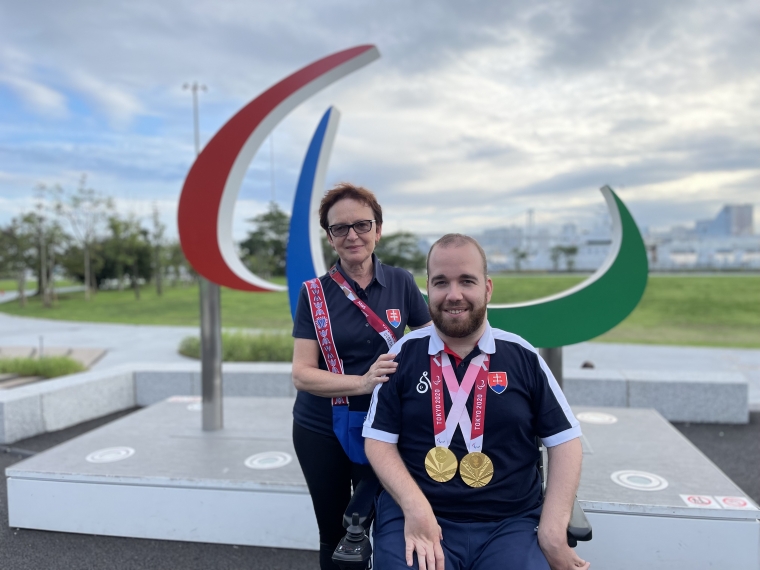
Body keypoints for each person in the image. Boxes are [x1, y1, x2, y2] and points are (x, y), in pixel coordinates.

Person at [363, 234, 589, 570]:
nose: (454, 295)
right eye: (441, 283)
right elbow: (378, 442)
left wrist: (554, 531)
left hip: (509, 524)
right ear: (428, 289)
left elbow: (565, 442)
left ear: (487, 288)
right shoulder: (401, 355)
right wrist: (414, 506)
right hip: (419, 514)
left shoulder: (522, 356)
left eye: (466, 281)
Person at [291, 182, 432, 570]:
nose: (352, 235)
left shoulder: (401, 282)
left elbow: (428, 345)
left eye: (362, 224)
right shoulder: (314, 293)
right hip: (321, 427)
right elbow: (302, 375)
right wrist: (362, 383)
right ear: (330, 238)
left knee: (386, 522)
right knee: (336, 533)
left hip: (386, 428)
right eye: (340, 228)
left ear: (378, 229)